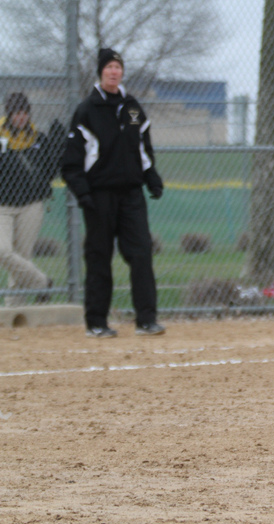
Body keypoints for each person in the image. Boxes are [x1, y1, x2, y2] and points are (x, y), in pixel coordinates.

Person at [62, 48, 165, 338]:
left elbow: (143, 151)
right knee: (99, 257)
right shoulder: (87, 110)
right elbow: (71, 163)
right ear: (100, 72)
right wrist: (83, 194)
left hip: (131, 194)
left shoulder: (133, 108)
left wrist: (151, 178)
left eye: (117, 66)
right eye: (108, 67)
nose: (113, 71)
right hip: (99, 196)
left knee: (142, 253)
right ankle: (96, 322)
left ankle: (146, 320)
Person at [0, 92, 62, 306]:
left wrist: (56, 148)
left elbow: (50, 172)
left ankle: (14, 311)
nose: (21, 117)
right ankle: (42, 282)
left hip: (31, 204)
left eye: (25, 113)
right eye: (17, 113)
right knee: (4, 251)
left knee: (23, 257)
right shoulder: (0, 136)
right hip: (3, 206)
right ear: (8, 114)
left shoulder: (38, 138)